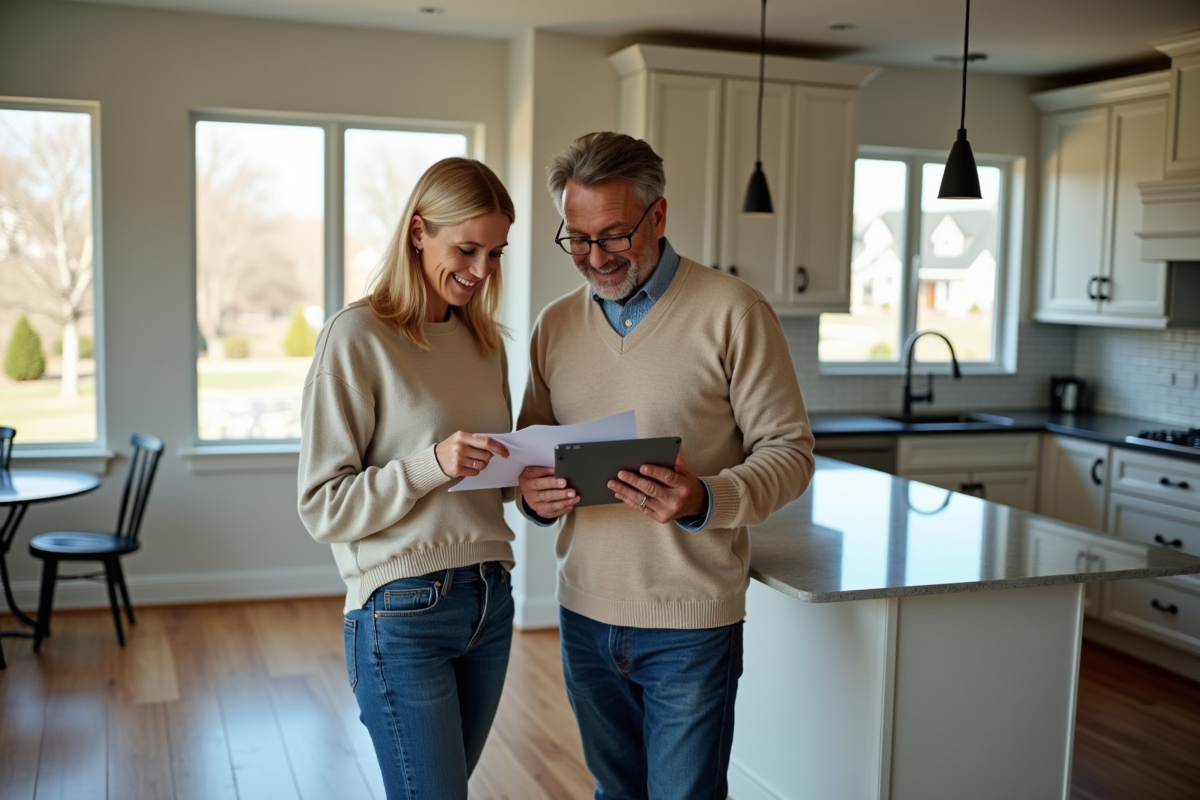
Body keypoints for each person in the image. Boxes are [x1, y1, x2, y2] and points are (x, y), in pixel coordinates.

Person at [517, 132, 816, 800]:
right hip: (585, 613)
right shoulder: (554, 326)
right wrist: (533, 495)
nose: (594, 258)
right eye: (577, 238)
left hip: (691, 622)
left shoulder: (735, 311)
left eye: (613, 235)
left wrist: (703, 498)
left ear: (658, 216)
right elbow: (531, 457)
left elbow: (791, 454)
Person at [297, 157, 517, 800]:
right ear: (418, 231)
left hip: (490, 599)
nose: (481, 271)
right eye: (467, 248)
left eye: (496, 253)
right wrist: (432, 464)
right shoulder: (355, 336)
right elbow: (322, 507)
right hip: (400, 612)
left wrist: (528, 487)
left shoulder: (486, 343)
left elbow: (487, 476)